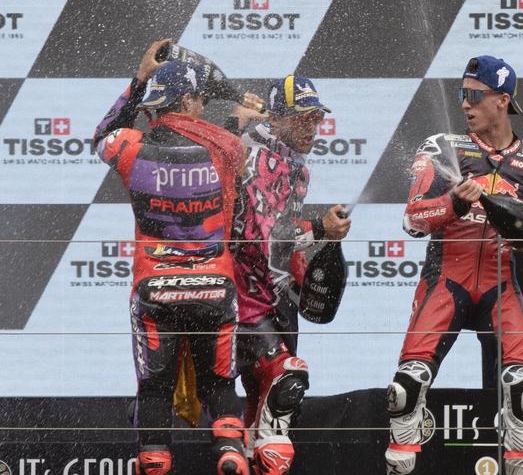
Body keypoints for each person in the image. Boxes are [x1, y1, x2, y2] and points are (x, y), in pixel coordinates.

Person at [384, 55, 523, 475]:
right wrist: (453, 202)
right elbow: (412, 219)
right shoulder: (442, 147)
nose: (464, 104)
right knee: (405, 389)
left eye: (473, 95)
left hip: (501, 287)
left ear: (502, 101)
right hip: (445, 283)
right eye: (461, 95)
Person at [92, 39, 262, 475]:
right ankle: (229, 452)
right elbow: (225, 150)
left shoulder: (131, 148)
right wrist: (236, 117)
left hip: (155, 291)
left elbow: (101, 135)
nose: (203, 106)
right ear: (188, 99)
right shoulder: (228, 147)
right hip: (215, 288)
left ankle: (154, 461)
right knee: (219, 383)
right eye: (200, 99)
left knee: (154, 389)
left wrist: (139, 80)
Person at [231, 75, 351, 474]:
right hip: (243, 293)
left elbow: (284, 238)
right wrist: (319, 230)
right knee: (285, 384)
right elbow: (262, 238)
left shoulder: (296, 164)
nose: (312, 129)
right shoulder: (253, 154)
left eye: (317, 119)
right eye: (303, 119)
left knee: (270, 406)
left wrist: (304, 274)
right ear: (278, 117)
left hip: (277, 295)